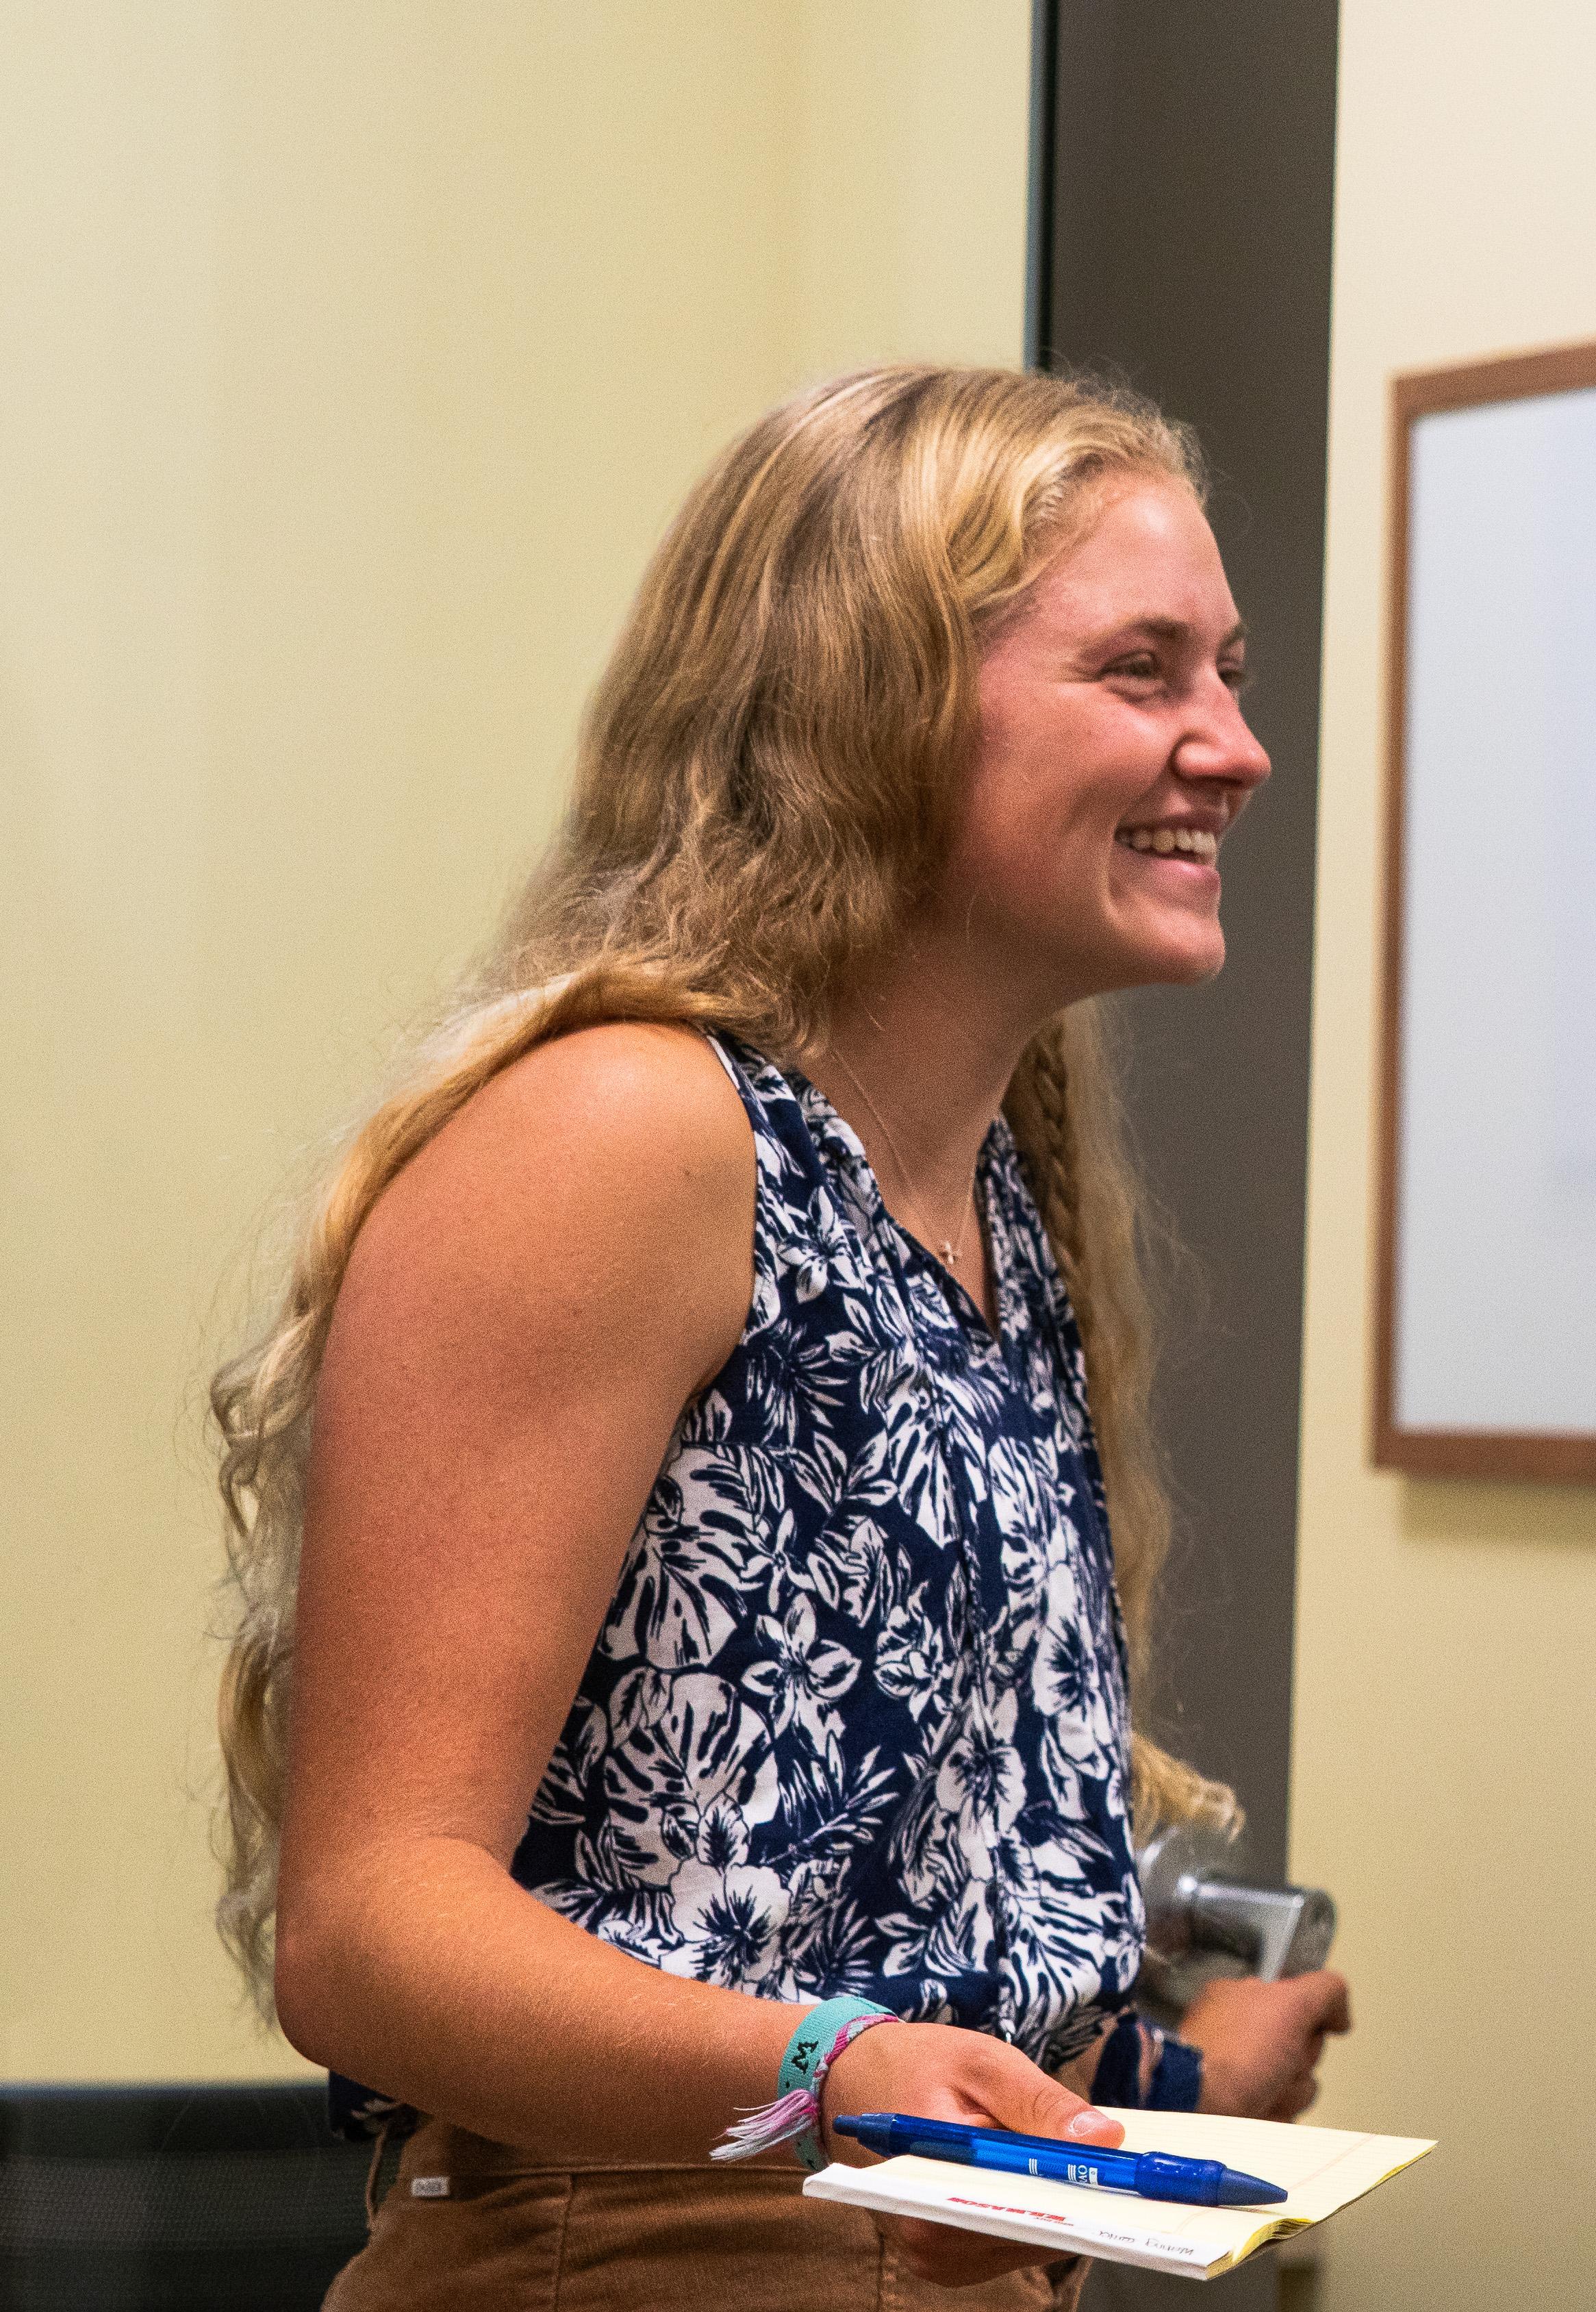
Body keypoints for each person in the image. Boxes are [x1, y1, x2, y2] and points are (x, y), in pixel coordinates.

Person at [210, 366, 1351, 2305]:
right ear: (882, 707)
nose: (1233, 747)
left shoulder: (998, 1182)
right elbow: (372, 1932)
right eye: (1143, 672)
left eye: (1227, 673)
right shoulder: (624, 1134)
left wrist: (1136, 2073)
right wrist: (832, 2077)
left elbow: (790, 1908)